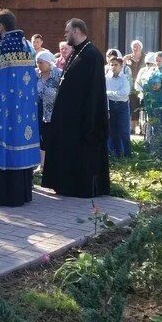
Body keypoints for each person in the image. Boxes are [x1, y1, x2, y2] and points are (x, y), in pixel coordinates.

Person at [43, 18, 111, 198]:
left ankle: (79, 188)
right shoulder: (77, 53)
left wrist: (88, 119)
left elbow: (95, 91)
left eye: (67, 32)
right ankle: (66, 185)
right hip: (69, 117)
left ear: (76, 31)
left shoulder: (92, 55)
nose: (65, 35)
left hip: (83, 118)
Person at [0, 10, 38, 206]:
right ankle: (22, 194)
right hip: (25, 111)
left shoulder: (2, 50)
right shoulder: (27, 47)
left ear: (2, 26)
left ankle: (0, 195)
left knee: (3, 144)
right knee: (20, 143)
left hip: (3, 111)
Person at [35, 50, 62, 173]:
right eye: (37, 63)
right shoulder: (35, 74)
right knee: (41, 138)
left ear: (48, 63)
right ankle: (42, 166)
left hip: (54, 112)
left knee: (52, 138)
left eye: (41, 63)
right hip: (38, 111)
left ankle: (54, 164)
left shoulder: (58, 74)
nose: (38, 65)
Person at [105, 56, 132, 158]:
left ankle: (128, 155)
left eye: (116, 65)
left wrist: (110, 93)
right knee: (113, 132)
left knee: (124, 132)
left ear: (121, 66)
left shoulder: (125, 77)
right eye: (112, 65)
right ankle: (117, 155)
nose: (114, 67)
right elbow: (105, 95)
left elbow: (126, 92)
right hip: (111, 106)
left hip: (122, 106)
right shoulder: (106, 78)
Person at [124, 39, 144, 133]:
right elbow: (121, 66)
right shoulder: (128, 58)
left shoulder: (145, 58)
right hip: (131, 86)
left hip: (142, 86)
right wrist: (124, 59)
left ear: (141, 48)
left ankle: (141, 127)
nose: (135, 48)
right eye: (133, 47)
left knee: (141, 106)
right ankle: (133, 127)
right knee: (133, 106)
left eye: (137, 46)